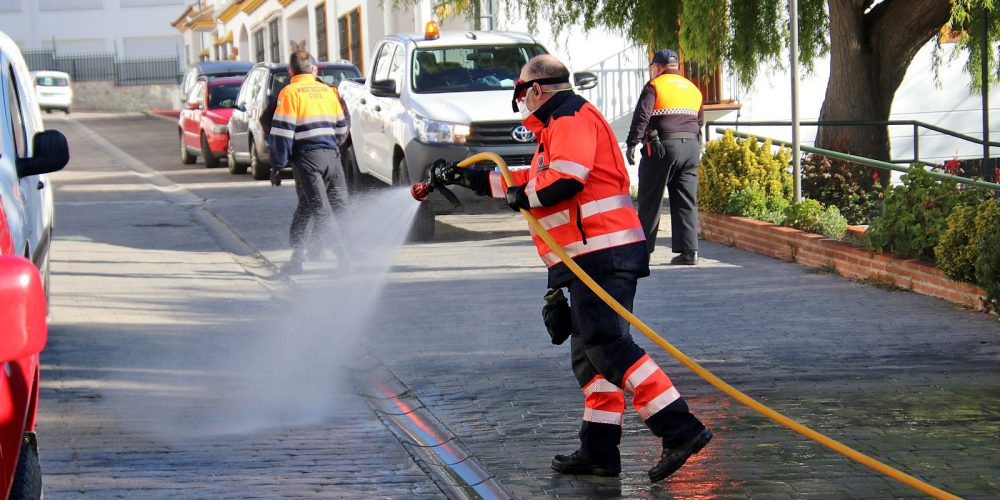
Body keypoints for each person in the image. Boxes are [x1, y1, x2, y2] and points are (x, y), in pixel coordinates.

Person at [442, 54, 711, 483]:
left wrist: (523, 197)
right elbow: (529, 177)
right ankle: (599, 451)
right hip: (587, 256)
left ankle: (680, 429)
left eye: (521, 96)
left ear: (534, 90)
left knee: (608, 347)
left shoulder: (570, 118)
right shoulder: (557, 128)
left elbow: (564, 181)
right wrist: (465, 178)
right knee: (591, 358)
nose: (522, 105)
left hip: (603, 253)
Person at [268, 51, 351, 274]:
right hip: (332, 158)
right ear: (313, 70)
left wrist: (277, 165)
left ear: (290, 71)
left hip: (308, 160)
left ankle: (344, 261)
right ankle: (298, 258)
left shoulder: (289, 93)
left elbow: (282, 132)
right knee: (331, 207)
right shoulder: (327, 91)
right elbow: (343, 127)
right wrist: (331, 146)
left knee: (320, 210)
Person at [625, 49, 704, 265]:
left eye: (653, 67)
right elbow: (699, 122)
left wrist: (632, 142)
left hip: (662, 147)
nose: (652, 71)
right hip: (691, 147)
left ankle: (643, 252)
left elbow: (642, 114)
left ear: (658, 67)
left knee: (650, 199)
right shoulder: (693, 89)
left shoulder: (655, 86)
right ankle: (690, 252)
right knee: (686, 199)